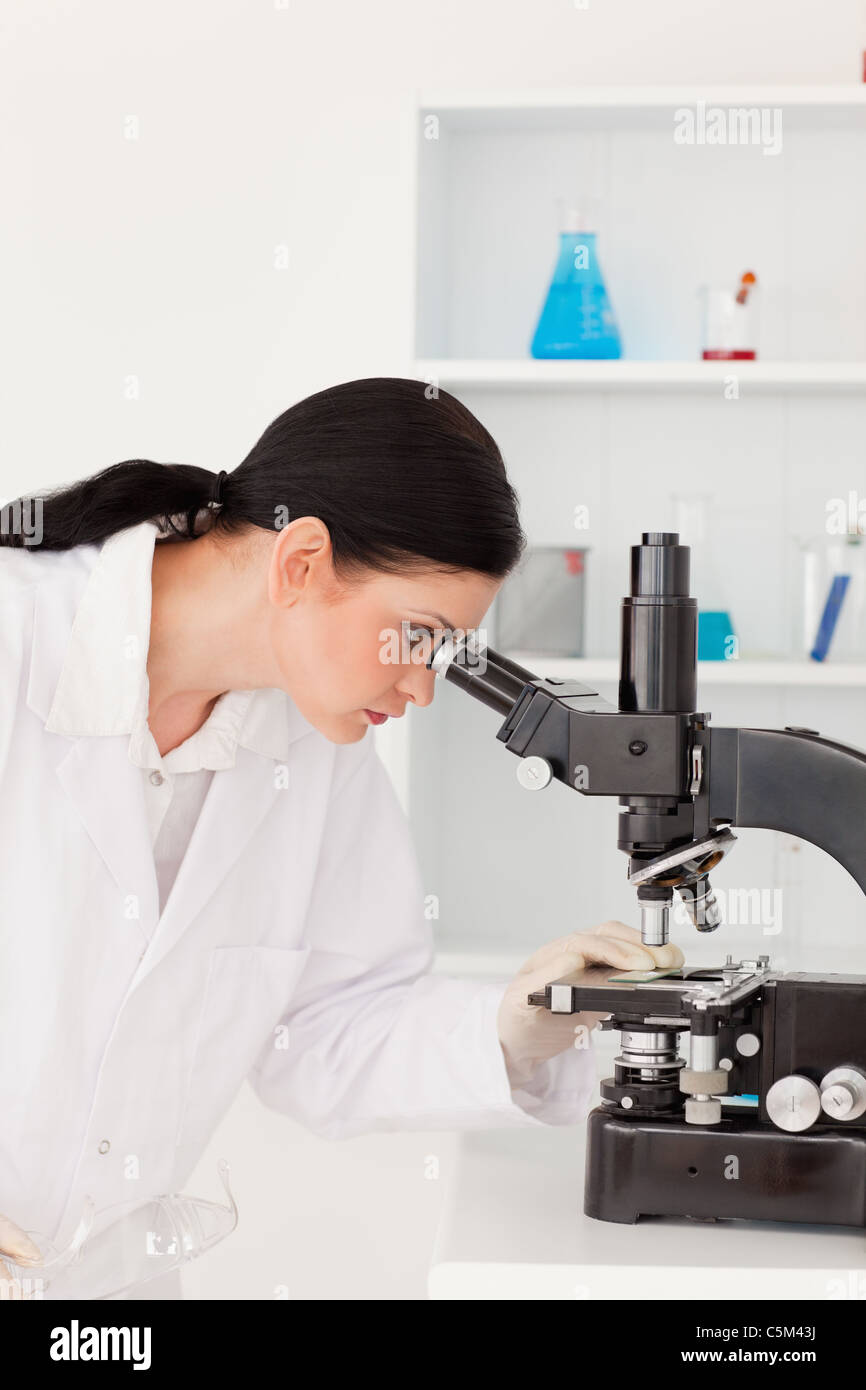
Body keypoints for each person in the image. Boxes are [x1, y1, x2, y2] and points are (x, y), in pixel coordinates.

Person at [0, 377, 681, 1297]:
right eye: (418, 638)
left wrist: (518, 1022)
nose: (423, 687)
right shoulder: (18, 634)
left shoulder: (312, 752)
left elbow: (324, 1031)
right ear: (301, 562)